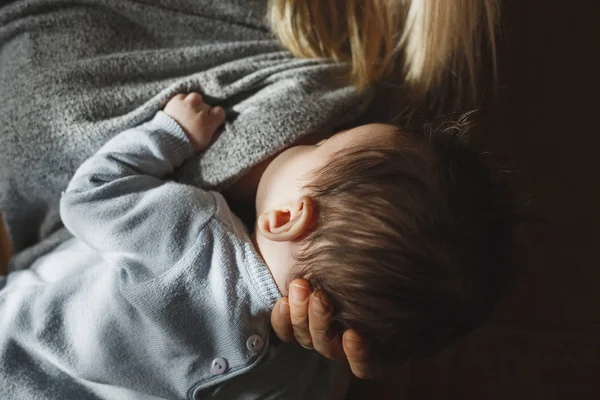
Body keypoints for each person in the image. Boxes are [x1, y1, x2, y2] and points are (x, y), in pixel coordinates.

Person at [0, 0, 501, 382]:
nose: (319, 137)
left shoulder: (192, 229)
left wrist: (170, 136)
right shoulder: (283, 371)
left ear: (285, 217)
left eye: (322, 143)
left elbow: (89, 195)